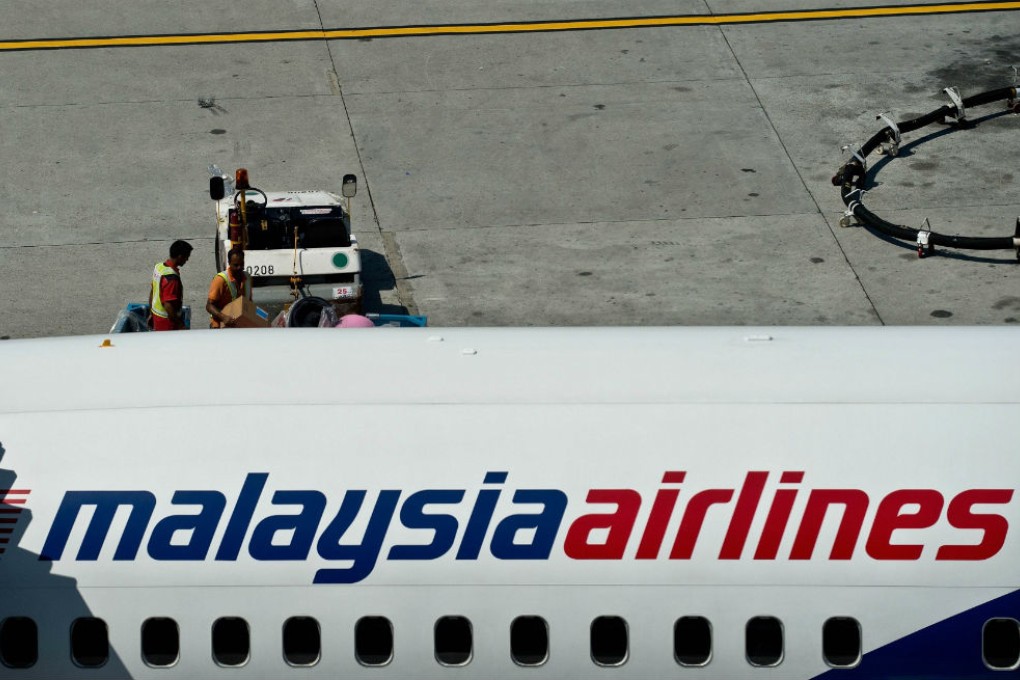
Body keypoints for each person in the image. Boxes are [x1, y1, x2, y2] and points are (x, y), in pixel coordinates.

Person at [149, 240, 192, 331]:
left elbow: (153, 292)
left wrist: (151, 313)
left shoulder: (159, 267)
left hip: (156, 318)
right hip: (167, 323)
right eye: (187, 257)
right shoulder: (171, 278)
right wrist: (181, 325)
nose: (187, 260)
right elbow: (168, 306)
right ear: (180, 257)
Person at [206, 248, 248, 328]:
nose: (239, 267)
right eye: (236, 265)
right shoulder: (220, 279)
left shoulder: (246, 278)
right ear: (229, 263)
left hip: (238, 325)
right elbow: (209, 306)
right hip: (220, 326)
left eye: (242, 264)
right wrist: (223, 317)